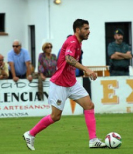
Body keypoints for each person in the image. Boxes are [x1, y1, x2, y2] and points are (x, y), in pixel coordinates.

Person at [23, 19, 106, 151]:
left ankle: (93, 140)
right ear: (78, 30)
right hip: (60, 84)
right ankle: (30, 133)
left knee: (89, 105)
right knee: (55, 116)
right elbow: (69, 59)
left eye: (88, 28)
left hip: (71, 82)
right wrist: (87, 69)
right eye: (86, 29)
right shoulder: (72, 42)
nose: (88, 31)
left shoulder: (78, 43)